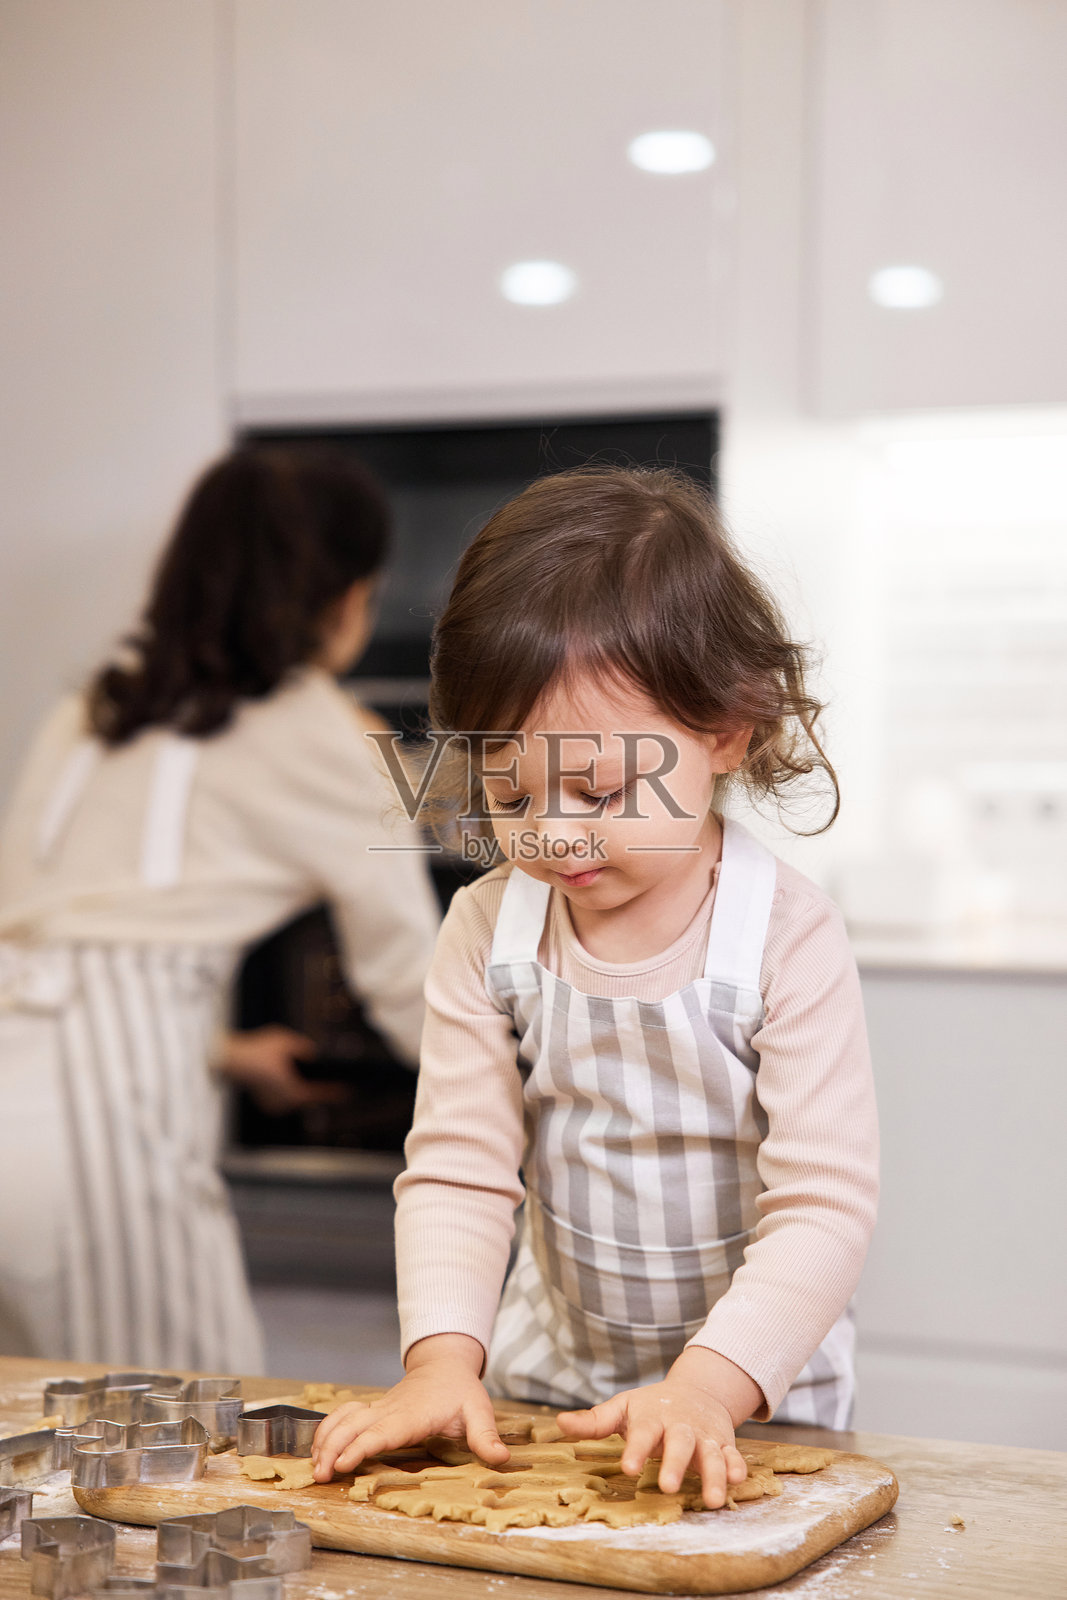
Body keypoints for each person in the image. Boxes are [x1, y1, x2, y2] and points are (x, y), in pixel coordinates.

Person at [311, 465, 879, 1508]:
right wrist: (441, 1362)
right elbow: (458, 1169)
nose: (551, 830)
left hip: (755, 1403)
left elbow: (821, 1206)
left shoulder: (784, 936)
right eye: (509, 788)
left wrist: (705, 1388)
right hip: (546, 1392)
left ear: (723, 730)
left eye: (599, 787)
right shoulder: (485, 926)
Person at [0, 446, 440, 1372]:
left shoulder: (92, 708)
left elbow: (57, 948)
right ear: (344, 594)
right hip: (98, 1140)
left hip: (34, 1083)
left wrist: (227, 1053)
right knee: (192, 1435)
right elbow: (414, 989)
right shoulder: (323, 730)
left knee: (31, 1458)